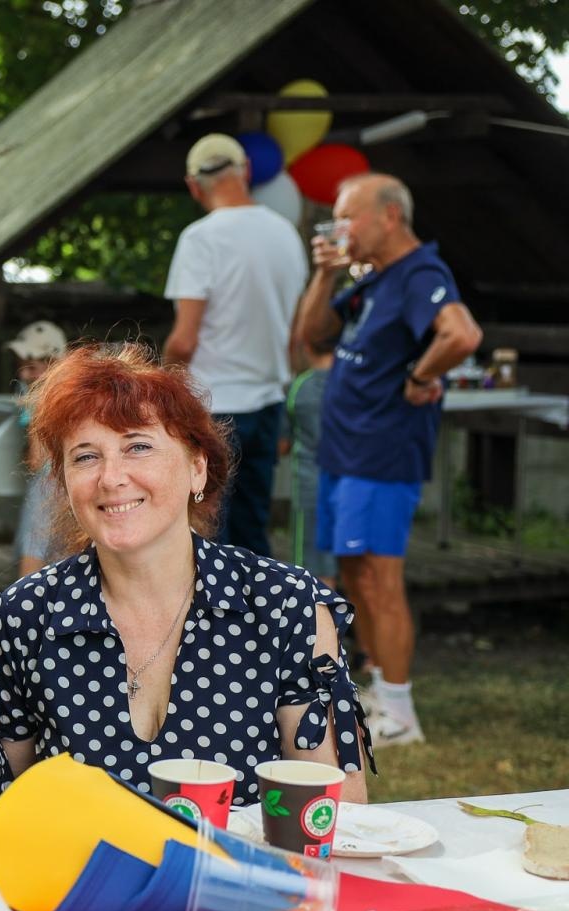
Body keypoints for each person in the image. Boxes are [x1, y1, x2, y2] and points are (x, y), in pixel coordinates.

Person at [0, 344, 372, 808]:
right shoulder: (25, 617)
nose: (111, 477)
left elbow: (335, 815)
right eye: (85, 457)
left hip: (247, 878)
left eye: (138, 447)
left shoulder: (285, 605)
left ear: (196, 468)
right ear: (64, 485)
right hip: (79, 881)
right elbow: (1, 810)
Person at [296, 173, 483, 747]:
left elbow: (462, 333)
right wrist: (327, 271)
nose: (341, 225)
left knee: (380, 578)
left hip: (380, 456)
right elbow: (312, 337)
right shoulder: (373, 279)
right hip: (345, 452)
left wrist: (420, 376)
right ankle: (378, 694)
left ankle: (400, 712)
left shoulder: (419, 271)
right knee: (354, 573)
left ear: (389, 217)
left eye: (349, 215)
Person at [163, 133, 308, 557]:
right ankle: (260, 623)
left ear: (194, 185)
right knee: (253, 539)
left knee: (207, 543)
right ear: (245, 171)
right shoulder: (286, 234)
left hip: (213, 407)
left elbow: (184, 339)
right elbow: (296, 336)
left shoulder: (200, 238)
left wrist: (162, 385)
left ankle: (214, 627)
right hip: (269, 405)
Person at [8, 321, 67, 576]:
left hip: (48, 487)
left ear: (52, 364)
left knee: (34, 553)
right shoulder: (71, 392)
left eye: (31, 368)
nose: (23, 376)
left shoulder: (43, 400)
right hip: (67, 485)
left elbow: (35, 460)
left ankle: (23, 613)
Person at [282, 346, 336, 587]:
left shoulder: (300, 386)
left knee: (314, 573)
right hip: (355, 485)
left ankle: (322, 625)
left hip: (311, 486)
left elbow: (282, 445)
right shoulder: (356, 382)